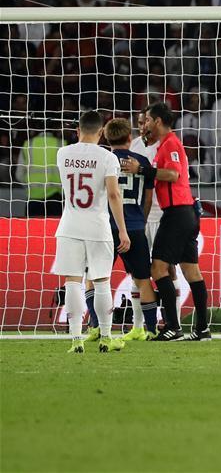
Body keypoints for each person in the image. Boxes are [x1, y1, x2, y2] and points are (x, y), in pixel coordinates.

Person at [122, 103, 208, 341]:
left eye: (147, 119)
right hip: (186, 213)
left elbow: (172, 175)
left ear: (157, 121)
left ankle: (173, 326)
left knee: (158, 269)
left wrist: (142, 169)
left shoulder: (170, 143)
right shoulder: (163, 145)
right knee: (192, 272)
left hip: (177, 213)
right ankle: (202, 329)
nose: (145, 124)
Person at [52, 111, 130, 354]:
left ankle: (76, 340)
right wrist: (123, 231)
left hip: (70, 226)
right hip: (98, 227)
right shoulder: (108, 157)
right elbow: (114, 195)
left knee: (73, 281)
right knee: (102, 282)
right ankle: (106, 338)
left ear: (78, 130)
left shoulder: (62, 153)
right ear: (100, 133)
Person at [102, 118, 158, 341]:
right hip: (134, 227)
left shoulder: (104, 160)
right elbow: (148, 198)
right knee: (143, 279)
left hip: (106, 227)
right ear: (129, 138)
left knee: (98, 278)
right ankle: (152, 329)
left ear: (106, 138)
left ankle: (98, 327)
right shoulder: (142, 161)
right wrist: (140, 220)